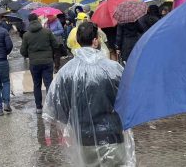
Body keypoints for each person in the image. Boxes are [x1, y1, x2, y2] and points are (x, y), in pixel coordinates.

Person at [45, 21, 135, 166]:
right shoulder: (113, 69)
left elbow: (57, 108)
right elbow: (129, 99)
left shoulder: (66, 72)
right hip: (113, 136)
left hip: (83, 138)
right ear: (94, 41)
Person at [20, 13, 58, 114]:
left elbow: (23, 51)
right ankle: (52, 106)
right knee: (49, 83)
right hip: (47, 61)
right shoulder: (47, 31)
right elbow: (55, 44)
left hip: (34, 63)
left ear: (29, 21)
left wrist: (30, 55)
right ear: (37, 19)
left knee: (37, 84)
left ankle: (38, 107)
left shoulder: (26, 35)